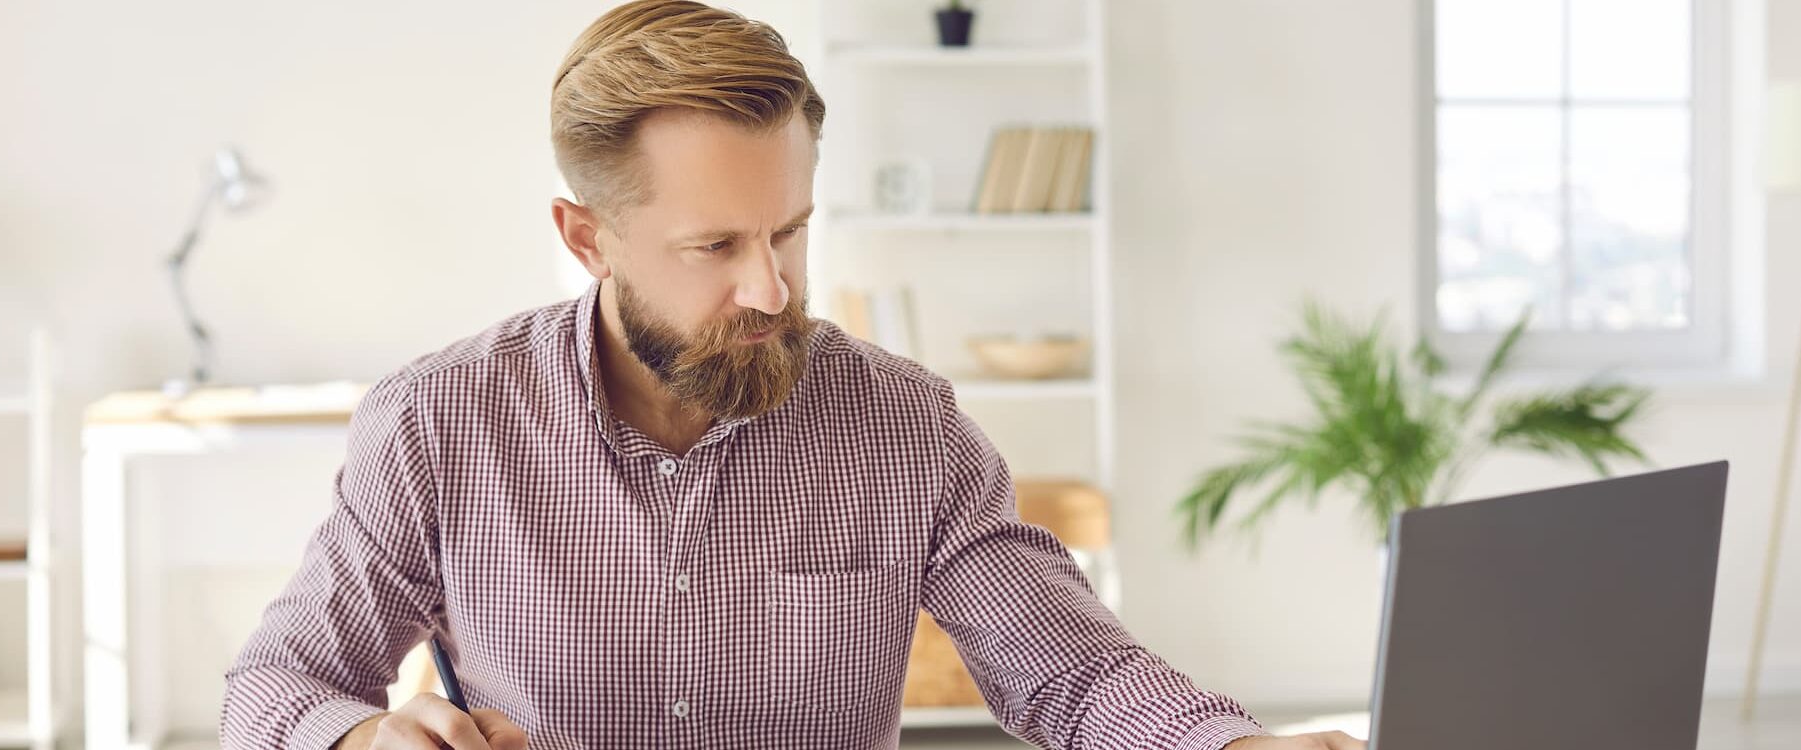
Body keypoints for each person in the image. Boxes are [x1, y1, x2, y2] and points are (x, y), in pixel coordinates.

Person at [219, 2, 1365, 748]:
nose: (771, 289)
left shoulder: (904, 426)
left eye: (791, 231)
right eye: (714, 247)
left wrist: (1230, 747)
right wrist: (360, 739)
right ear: (587, 238)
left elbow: (1070, 671)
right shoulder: (440, 425)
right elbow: (276, 681)